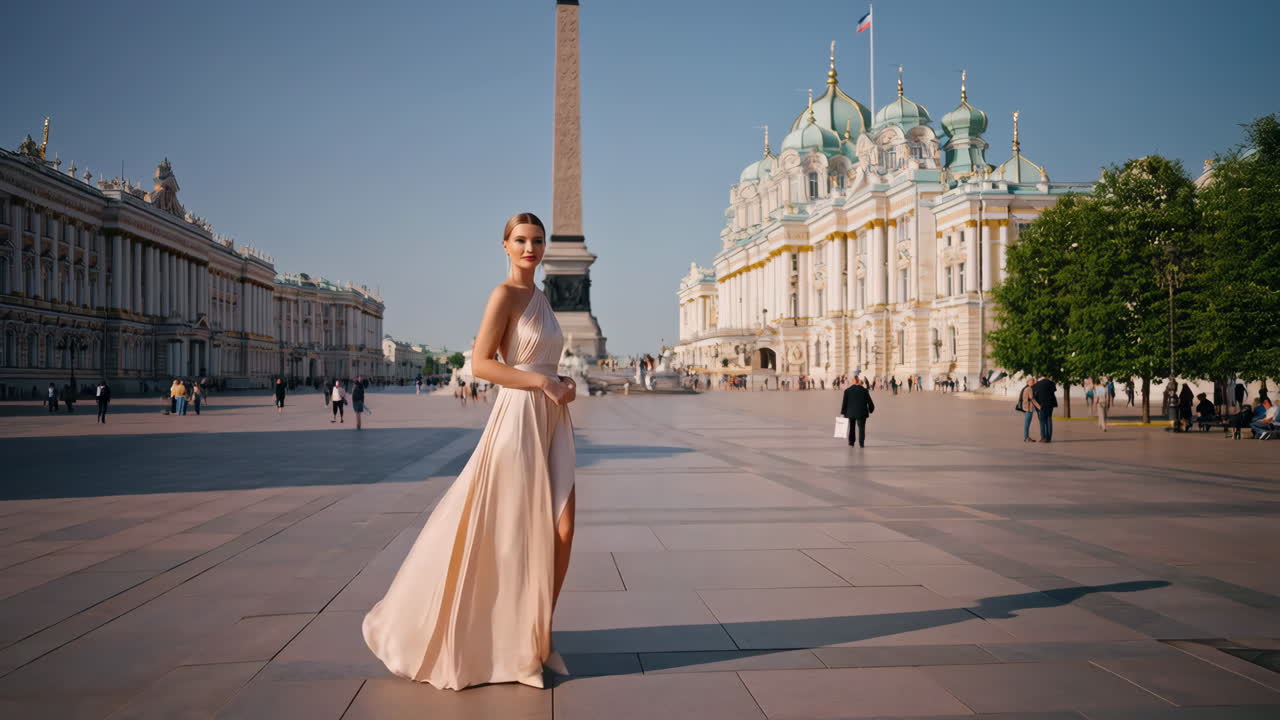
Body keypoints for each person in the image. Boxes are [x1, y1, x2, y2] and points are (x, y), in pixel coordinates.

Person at [364, 212, 578, 690]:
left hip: (550, 417)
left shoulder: (540, 297)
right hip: (519, 418)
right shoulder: (503, 296)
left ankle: (539, 635)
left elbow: (542, 358)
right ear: (504, 245)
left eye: (537, 241)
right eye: (521, 240)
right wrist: (542, 381)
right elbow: (482, 364)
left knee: (562, 528)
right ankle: (519, 647)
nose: (531, 249)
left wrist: (561, 380)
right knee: (514, 531)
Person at [839, 376, 875, 448]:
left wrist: (842, 413)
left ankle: (851, 442)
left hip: (850, 413)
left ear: (853, 381)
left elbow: (844, 403)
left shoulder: (847, 391)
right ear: (858, 381)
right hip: (862, 413)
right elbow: (870, 402)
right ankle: (861, 443)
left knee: (852, 427)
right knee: (861, 428)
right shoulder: (864, 390)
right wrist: (871, 410)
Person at [1031, 375, 1058, 443]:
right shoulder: (1051, 383)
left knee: (1042, 421)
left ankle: (1043, 437)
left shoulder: (1037, 384)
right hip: (1050, 405)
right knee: (1049, 420)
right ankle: (1049, 438)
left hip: (1041, 405)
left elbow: (1033, 393)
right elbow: (1054, 390)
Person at [1019, 377, 1037, 442]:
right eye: (1032, 381)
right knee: (1027, 424)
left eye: (1034, 381)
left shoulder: (1025, 388)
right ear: (1028, 382)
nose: (1034, 382)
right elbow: (1032, 399)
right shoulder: (1029, 389)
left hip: (1026, 408)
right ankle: (1027, 438)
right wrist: (1039, 407)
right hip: (1029, 408)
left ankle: (1026, 437)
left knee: (1027, 423)